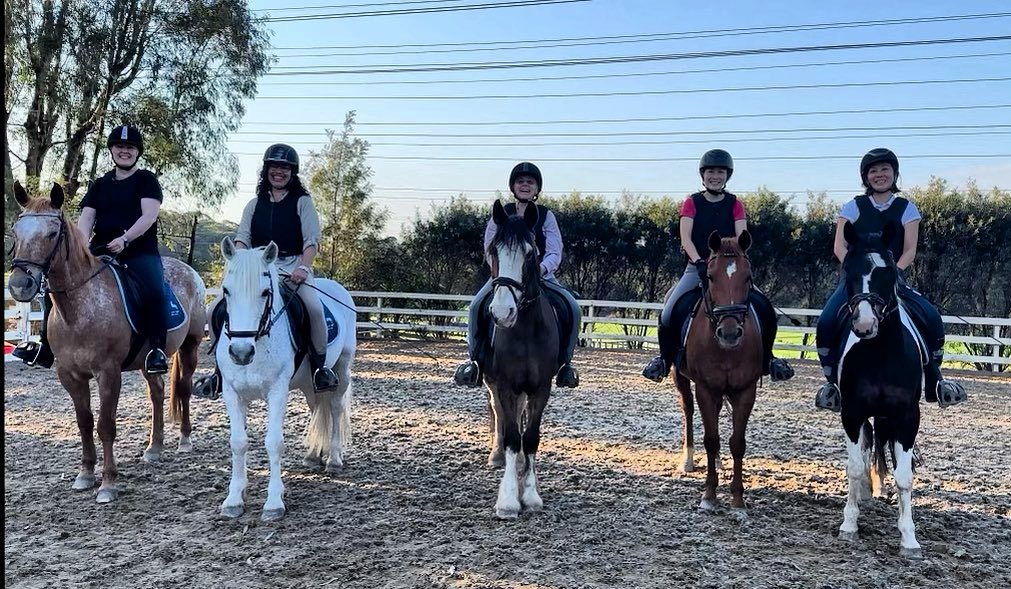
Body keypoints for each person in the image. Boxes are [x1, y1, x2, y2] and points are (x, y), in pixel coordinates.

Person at [813, 148, 967, 411]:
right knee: (827, 321)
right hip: (857, 281)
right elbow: (840, 246)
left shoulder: (906, 208)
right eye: (873, 170)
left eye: (885, 169)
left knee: (930, 317)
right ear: (866, 177)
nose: (879, 174)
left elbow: (909, 250)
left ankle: (935, 381)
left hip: (892, 279)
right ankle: (832, 384)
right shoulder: (853, 207)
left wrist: (891, 274)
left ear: (894, 174)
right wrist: (855, 271)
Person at [12, 124, 170, 374]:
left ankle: (156, 351)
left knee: (154, 290)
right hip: (101, 247)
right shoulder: (100, 184)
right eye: (119, 146)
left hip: (139, 250)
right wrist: (80, 246)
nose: (124, 151)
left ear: (137, 152)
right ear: (112, 150)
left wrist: (126, 239)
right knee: (57, 286)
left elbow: (149, 216)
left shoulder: (146, 180)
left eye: (129, 147)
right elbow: (86, 219)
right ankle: (46, 346)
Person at [193, 143, 338, 398]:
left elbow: (311, 241)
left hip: (292, 269)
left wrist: (304, 267)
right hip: (256, 271)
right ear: (266, 170)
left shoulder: (302, 203)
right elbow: (242, 239)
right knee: (215, 308)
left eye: (284, 168)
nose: (279, 172)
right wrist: (239, 263)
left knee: (313, 309)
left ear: (292, 172)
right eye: (274, 167)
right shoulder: (253, 204)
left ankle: (319, 368)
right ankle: (219, 372)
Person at [641, 149, 794, 383]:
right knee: (670, 310)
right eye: (711, 171)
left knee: (765, 308)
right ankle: (663, 359)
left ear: (727, 176)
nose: (715, 176)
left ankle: (769, 359)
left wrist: (735, 261)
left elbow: (742, 237)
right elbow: (686, 238)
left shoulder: (735, 204)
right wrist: (699, 262)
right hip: (697, 268)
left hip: (729, 269)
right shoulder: (692, 202)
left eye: (720, 172)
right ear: (703, 175)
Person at [453, 162, 581, 389]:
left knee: (572, 307)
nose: (525, 185)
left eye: (530, 182)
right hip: (505, 276)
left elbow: (554, 251)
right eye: (520, 181)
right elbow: (489, 247)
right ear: (513, 186)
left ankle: (565, 365)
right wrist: (500, 271)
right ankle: (474, 361)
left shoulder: (546, 215)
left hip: (539, 275)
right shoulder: (501, 215)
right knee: (475, 307)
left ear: (536, 189)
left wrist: (540, 269)